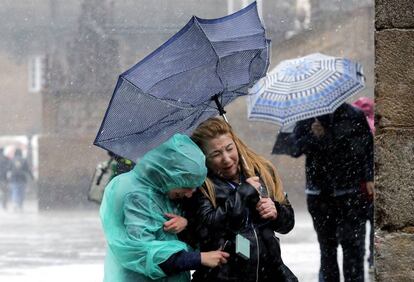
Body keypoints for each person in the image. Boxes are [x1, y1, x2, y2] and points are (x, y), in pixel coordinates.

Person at [100, 133, 229, 282]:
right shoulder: (136, 195)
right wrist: (198, 258)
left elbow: (165, 237)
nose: (189, 194)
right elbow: (144, 254)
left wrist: (186, 224)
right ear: (170, 175)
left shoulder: (161, 190)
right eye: (187, 186)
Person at [187, 117, 298, 282]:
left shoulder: (261, 171)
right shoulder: (201, 186)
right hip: (225, 276)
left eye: (229, 148)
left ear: (236, 144)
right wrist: (242, 194)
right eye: (216, 154)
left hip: (270, 273)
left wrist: (276, 211)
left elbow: (287, 224)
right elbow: (206, 228)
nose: (226, 158)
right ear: (204, 158)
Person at [277, 103, 374, 282]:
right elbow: (294, 148)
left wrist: (369, 177)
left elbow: (367, 148)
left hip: (350, 194)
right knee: (327, 250)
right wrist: (314, 136)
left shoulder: (353, 115)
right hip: (320, 195)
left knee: (353, 249)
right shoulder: (307, 117)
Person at [352, 97, 375, 270]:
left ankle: (359, 258)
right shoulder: (375, 127)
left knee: (357, 228)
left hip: (355, 188)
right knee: (375, 225)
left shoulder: (353, 128)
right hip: (374, 187)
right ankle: (372, 257)